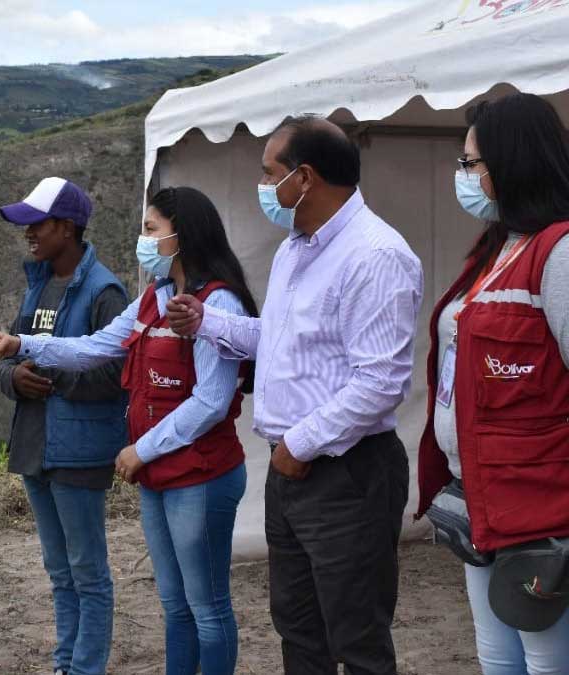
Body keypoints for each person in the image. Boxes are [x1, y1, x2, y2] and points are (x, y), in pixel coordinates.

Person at [165, 116, 422, 675]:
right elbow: (279, 339)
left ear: (303, 178)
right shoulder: (295, 249)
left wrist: (298, 446)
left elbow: (379, 382)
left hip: (345, 473)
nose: (264, 188)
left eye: (269, 174)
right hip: (296, 470)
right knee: (298, 630)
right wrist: (207, 321)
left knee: (356, 637)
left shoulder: (375, 255)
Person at [0, 185, 258, 675]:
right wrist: (21, 345)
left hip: (199, 474)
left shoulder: (218, 304)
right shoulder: (153, 298)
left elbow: (211, 403)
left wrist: (142, 449)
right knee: (175, 604)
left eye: (151, 230)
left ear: (182, 234)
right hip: (158, 474)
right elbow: (95, 347)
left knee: (207, 606)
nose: (143, 239)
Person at [415, 92, 569, 673]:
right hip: (479, 492)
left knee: (545, 659)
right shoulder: (497, 248)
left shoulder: (559, 252)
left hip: (540, 503)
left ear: (514, 162)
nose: (463, 175)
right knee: (496, 655)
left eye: (471, 163)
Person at [0, 177, 128, 675]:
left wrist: (50, 378)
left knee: (87, 572)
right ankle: (65, 664)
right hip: (37, 446)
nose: (28, 233)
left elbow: (118, 373)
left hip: (79, 449)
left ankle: (84, 667)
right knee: (59, 571)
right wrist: (15, 378)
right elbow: (9, 358)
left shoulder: (104, 291)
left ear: (67, 228)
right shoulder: (39, 282)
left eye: (37, 223)